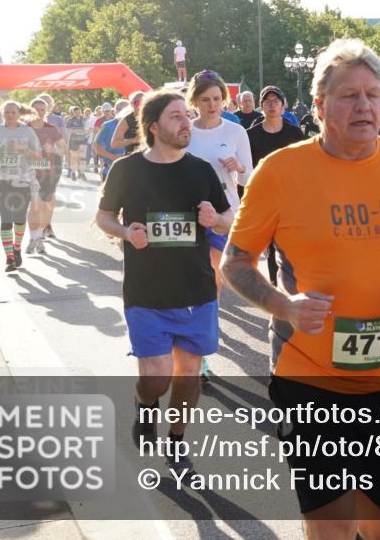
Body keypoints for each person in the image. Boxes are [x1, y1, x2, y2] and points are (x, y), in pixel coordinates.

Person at [221, 38, 380, 540]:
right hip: (311, 378)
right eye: (349, 95)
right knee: (332, 527)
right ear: (321, 105)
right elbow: (235, 262)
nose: (364, 105)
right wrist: (283, 305)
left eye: (374, 94)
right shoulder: (280, 171)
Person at [96, 89, 233, 478]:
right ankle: (145, 406)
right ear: (154, 127)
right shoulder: (125, 170)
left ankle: (177, 441)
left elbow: (228, 219)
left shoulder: (202, 170)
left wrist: (215, 220)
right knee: (155, 378)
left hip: (197, 291)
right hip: (146, 292)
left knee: (188, 376)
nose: (186, 122)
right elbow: (103, 216)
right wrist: (125, 232)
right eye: (176, 117)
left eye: (186, 116)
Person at [185, 69, 251, 301]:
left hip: (224, 211)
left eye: (216, 99)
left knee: (214, 270)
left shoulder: (236, 131)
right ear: (194, 101)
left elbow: (247, 180)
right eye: (205, 100)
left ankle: (208, 321)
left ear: (224, 99)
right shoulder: (184, 132)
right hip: (187, 211)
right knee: (193, 272)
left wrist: (239, 167)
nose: (212, 105)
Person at [246, 85, 305, 288]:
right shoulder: (250, 135)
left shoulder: (295, 134)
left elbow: (304, 165)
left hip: (290, 197)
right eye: (267, 102)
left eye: (276, 101)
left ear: (283, 106)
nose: (272, 105)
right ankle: (275, 283)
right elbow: (247, 168)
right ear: (261, 106)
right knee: (270, 243)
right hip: (263, 197)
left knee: (289, 241)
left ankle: (291, 283)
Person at [0, 101, 41, 272]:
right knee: (6, 218)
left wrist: (23, 149)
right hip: (0, 179)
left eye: (13, 112)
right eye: (7, 112)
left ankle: (17, 248)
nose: (10, 115)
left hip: (23, 179)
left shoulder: (27, 131)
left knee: (20, 217)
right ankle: (9, 258)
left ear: (19, 114)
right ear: (2, 113)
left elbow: (38, 156)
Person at [25, 98, 66, 254]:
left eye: (43, 110)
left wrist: (53, 149)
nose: (40, 113)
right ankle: (33, 238)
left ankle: (39, 238)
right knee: (33, 206)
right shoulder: (24, 129)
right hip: (29, 172)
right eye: (36, 109)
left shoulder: (52, 128)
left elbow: (63, 149)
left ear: (46, 111)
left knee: (43, 207)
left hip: (47, 172)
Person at [94, 100, 129, 182]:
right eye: (119, 109)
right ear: (115, 111)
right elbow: (95, 145)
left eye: (126, 109)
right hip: (110, 169)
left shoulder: (137, 126)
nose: (122, 112)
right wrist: (113, 157)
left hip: (130, 171)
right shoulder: (107, 125)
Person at [65, 106, 88, 181]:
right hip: (73, 140)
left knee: (81, 157)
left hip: (83, 140)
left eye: (79, 112)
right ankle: (73, 172)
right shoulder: (70, 120)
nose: (78, 114)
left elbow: (87, 129)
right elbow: (68, 131)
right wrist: (67, 142)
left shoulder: (83, 119)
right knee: (74, 157)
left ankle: (82, 173)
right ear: (73, 113)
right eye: (76, 112)